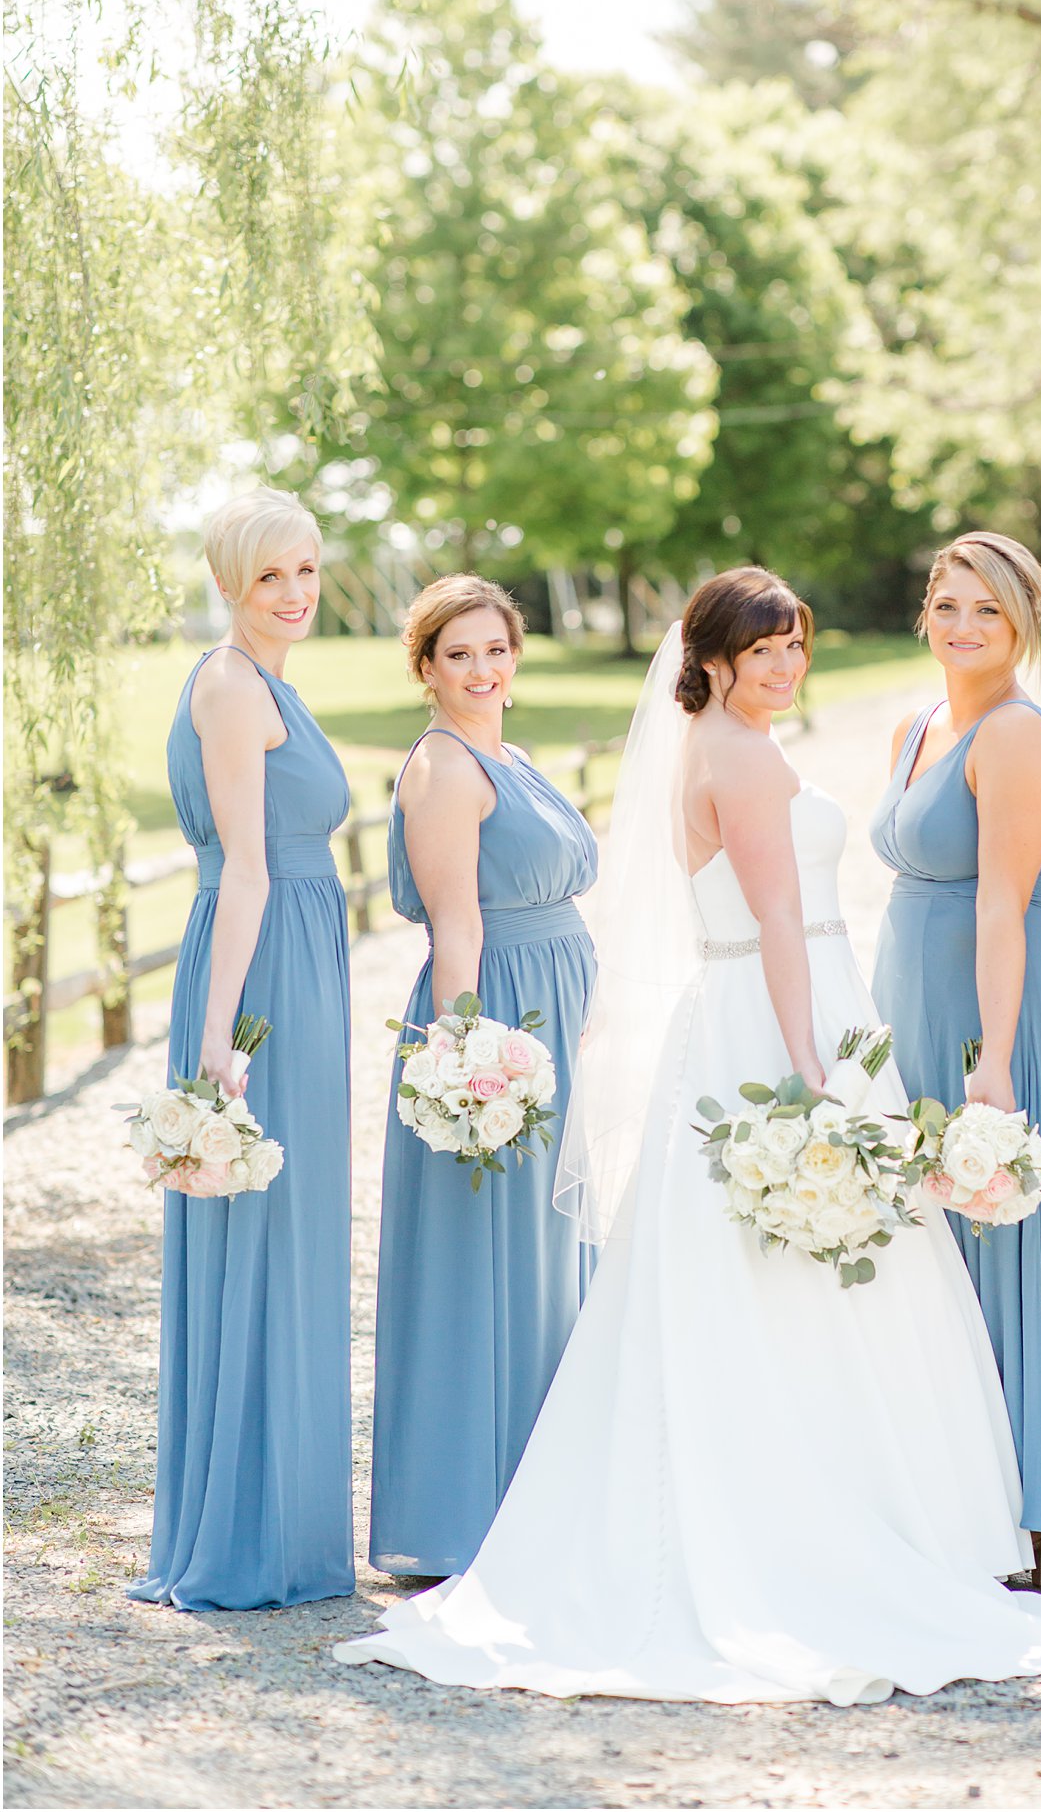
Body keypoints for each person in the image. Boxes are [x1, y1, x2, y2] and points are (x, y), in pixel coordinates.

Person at [336, 567, 1041, 1699]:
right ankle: (823, 1526)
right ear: (709, 658)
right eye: (760, 649)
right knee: (806, 1266)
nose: (783, 666)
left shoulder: (704, 746)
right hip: (780, 1018)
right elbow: (776, 914)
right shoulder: (745, 755)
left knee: (727, 1270)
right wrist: (813, 1067)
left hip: (738, 1012)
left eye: (793, 647)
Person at [870, 533, 1041, 1582]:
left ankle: (1036, 1522)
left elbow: (1001, 905)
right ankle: (939, 1498)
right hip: (914, 1003)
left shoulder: (1016, 735)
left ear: (1021, 620)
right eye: (946, 604)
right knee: (927, 1251)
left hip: (1000, 1014)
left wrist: (993, 1062)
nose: (963, 626)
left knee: (1008, 1244)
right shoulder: (916, 724)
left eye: (988, 608)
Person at [130, 486, 353, 1611]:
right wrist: (220, 1039)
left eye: (307, 570)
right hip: (259, 973)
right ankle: (246, 1534)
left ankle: (289, 1520)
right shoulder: (227, 686)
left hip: (301, 962)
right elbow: (247, 869)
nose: (296, 593)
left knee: (299, 1228)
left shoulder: (271, 680)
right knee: (263, 1229)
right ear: (229, 582)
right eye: (272, 575)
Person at [369, 575, 598, 1579]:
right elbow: (457, 928)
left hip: (561, 1005)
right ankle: (470, 1509)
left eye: (494, 649)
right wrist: (465, 1059)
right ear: (425, 668)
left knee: (552, 1259)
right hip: (500, 1017)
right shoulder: (445, 769)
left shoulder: (518, 756)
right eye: (456, 654)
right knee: (490, 1259)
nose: (479, 669)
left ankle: (547, 1493)